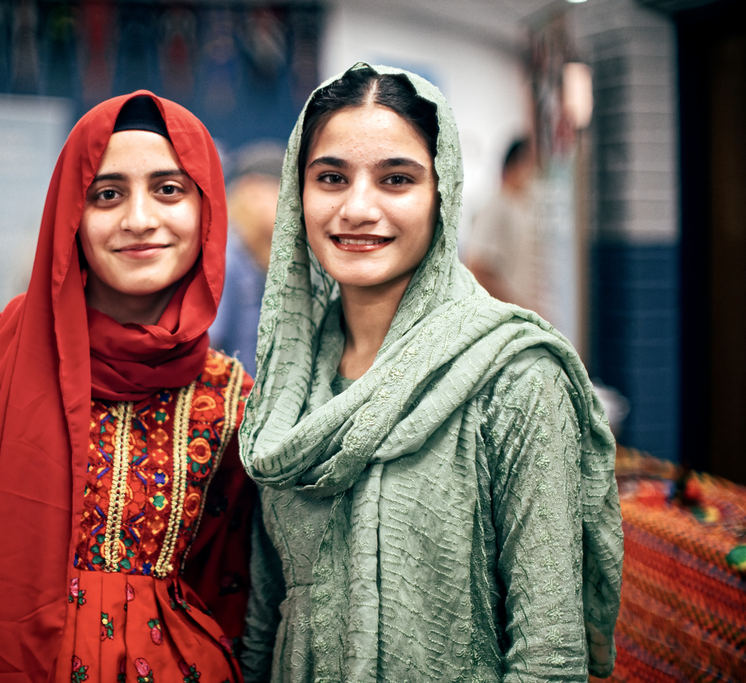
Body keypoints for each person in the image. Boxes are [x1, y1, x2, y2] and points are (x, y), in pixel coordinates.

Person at [238, 64, 623, 682]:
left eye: (396, 179)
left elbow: (549, 655)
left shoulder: (515, 376)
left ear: (442, 190)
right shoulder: (289, 380)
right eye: (331, 177)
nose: (357, 208)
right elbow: (266, 615)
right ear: (297, 193)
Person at [0, 92, 255, 683]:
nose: (138, 219)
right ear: (69, 216)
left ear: (206, 210)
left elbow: (228, 583)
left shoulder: (229, 395)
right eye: (107, 194)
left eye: (168, 189)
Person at [208, 141, 284, 376]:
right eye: (285, 192)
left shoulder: (255, 254)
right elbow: (205, 345)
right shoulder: (224, 257)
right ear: (252, 188)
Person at [465, 138, 540, 310]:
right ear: (514, 166)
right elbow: (478, 265)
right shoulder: (497, 206)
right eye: (531, 166)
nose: (533, 175)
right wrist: (516, 309)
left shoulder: (518, 206)